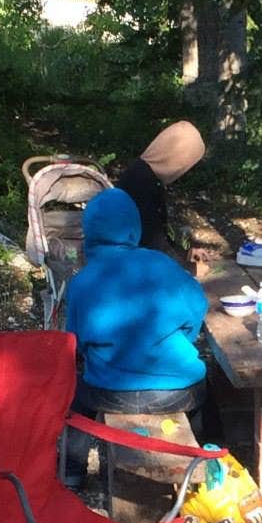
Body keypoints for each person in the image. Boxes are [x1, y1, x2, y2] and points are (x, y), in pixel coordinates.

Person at [62, 188, 209, 483]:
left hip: (110, 392)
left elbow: (73, 342)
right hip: (176, 391)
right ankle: (209, 456)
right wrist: (185, 337)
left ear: (89, 232)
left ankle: (72, 471)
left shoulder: (82, 282)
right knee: (204, 393)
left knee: (76, 403)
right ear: (134, 227)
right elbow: (198, 307)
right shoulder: (162, 264)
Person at [113, 121, 207, 263]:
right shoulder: (141, 182)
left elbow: (158, 234)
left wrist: (185, 254)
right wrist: (187, 269)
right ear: (178, 157)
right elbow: (152, 243)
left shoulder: (146, 174)